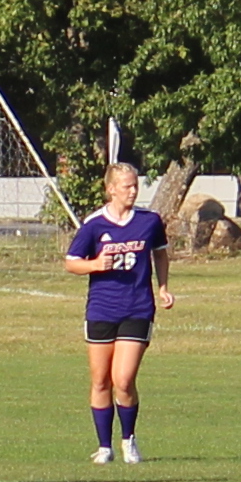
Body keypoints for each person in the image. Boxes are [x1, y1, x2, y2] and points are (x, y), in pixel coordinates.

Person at [65, 158, 169, 464]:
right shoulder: (94, 225)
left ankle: (128, 440)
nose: (133, 191)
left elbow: (161, 255)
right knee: (100, 381)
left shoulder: (149, 221)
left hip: (137, 307)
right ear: (111, 189)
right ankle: (104, 446)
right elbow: (71, 262)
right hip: (101, 309)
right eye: (127, 186)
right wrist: (95, 265)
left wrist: (163, 287)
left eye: (136, 185)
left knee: (123, 379)